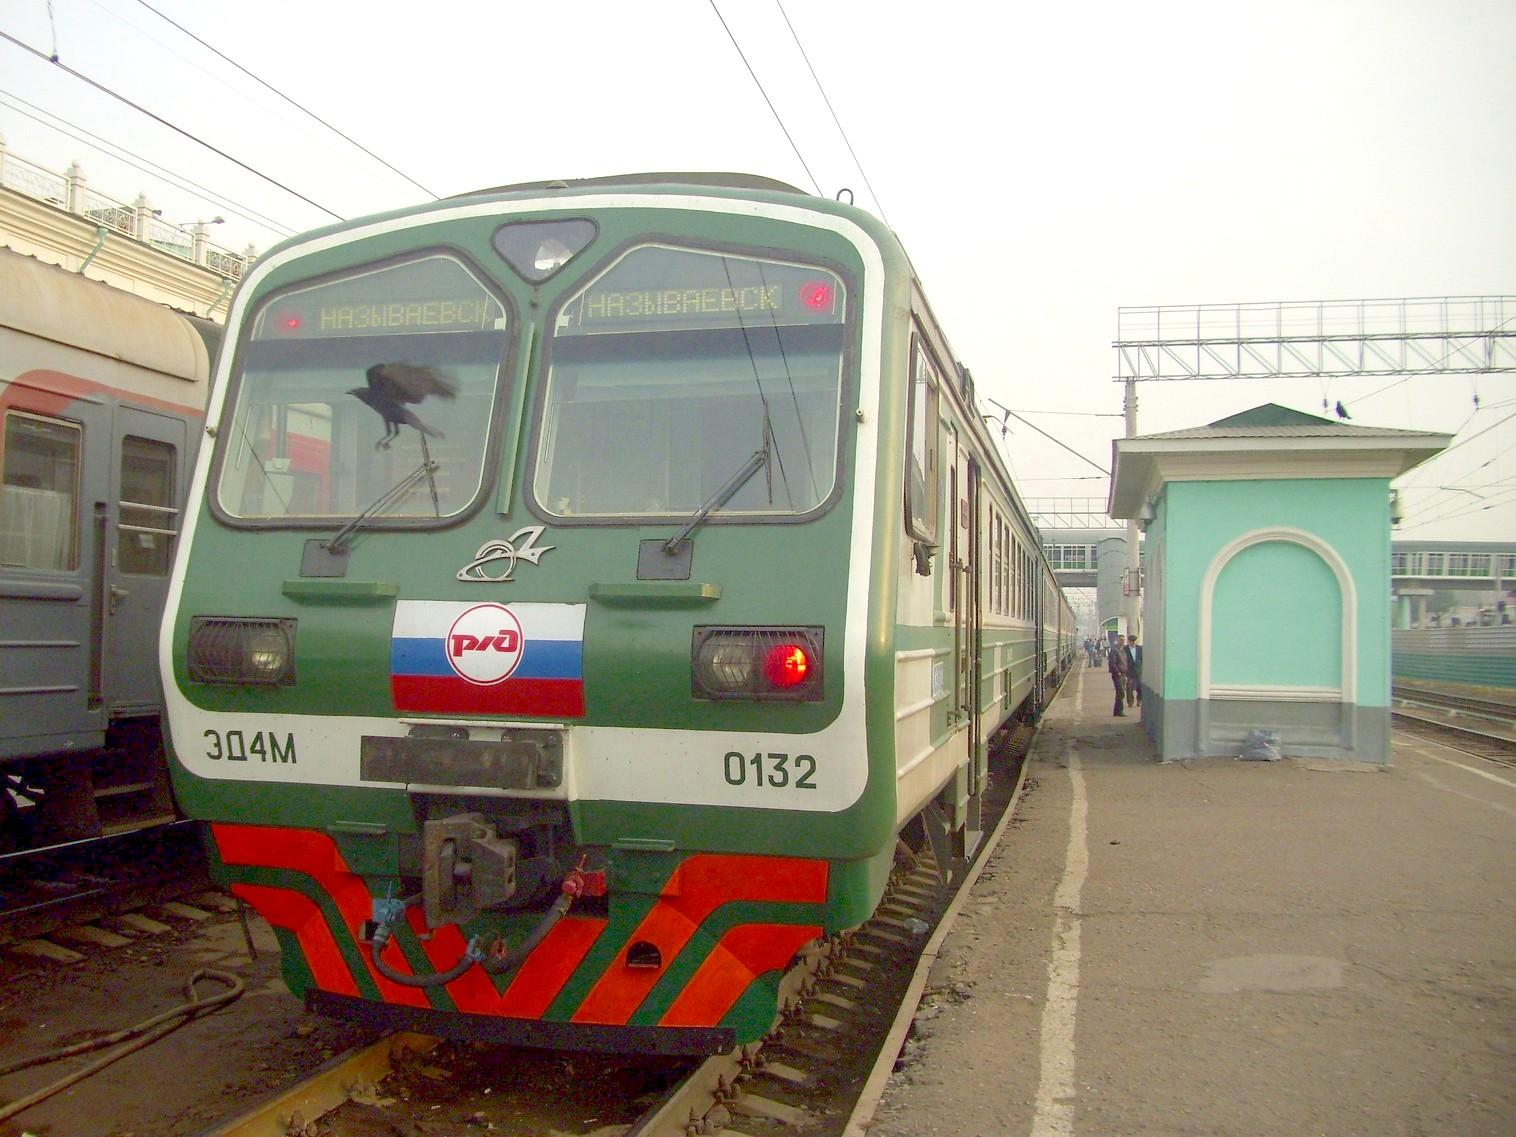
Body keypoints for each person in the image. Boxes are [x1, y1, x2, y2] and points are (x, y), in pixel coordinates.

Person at [1108, 633, 1129, 716]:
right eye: (1121, 640)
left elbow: (1125, 661)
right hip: (1118, 675)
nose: (1123, 642)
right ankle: (1119, 711)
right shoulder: (1114, 650)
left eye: (1124, 640)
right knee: (1121, 692)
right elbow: (1112, 662)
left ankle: (1117, 711)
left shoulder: (1123, 650)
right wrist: (1117, 672)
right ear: (1117, 640)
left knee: (1120, 693)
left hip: (1123, 674)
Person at [1125, 635, 1142, 707]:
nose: (1133, 643)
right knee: (1129, 687)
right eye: (1131, 641)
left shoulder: (1139, 648)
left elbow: (1142, 658)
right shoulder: (1125, 649)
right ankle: (1130, 702)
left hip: (1138, 671)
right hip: (1129, 671)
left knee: (1140, 687)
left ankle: (1139, 700)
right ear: (1128, 641)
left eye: (1134, 641)